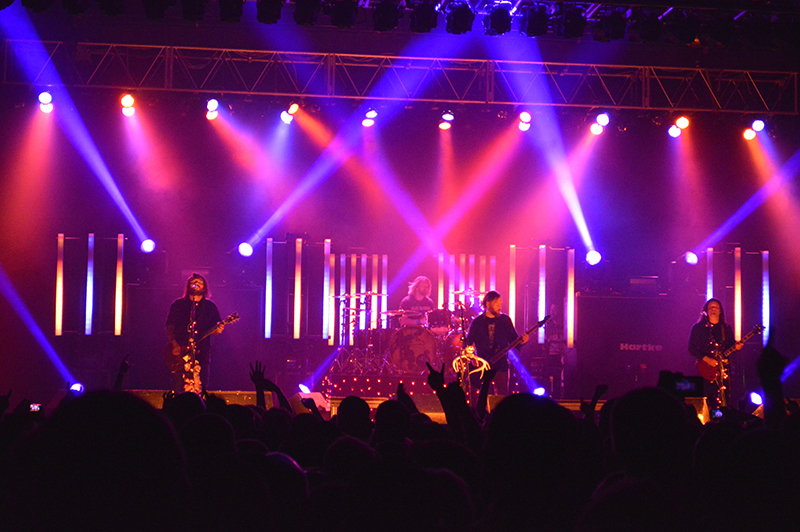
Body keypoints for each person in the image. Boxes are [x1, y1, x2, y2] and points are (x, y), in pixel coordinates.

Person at [166, 273, 224, 394]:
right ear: (188, 286)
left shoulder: (210, 307)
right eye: (194, 282)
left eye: (200, 282)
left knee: (201, 387)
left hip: (202, 353)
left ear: (205, 287)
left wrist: (218, 330)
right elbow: (170, 326)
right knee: (178, 387)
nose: (196, 284)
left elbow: (216, 331)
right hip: (180, 352)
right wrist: (174, 344)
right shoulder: (178, 305)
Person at [466, 291, 528, 396]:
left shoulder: (505, 320)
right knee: (484, 396)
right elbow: (468, 342)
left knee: (502, 395)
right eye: (496, 303)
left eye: (501, 303)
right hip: (483, 365)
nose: (500, 306)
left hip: (501, 365)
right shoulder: (477, 322)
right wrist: (472, 357)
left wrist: (523, 341)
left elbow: (514, 340)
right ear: (488, 304)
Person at [687, 298, 742, 410]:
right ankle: (711, 421)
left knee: (724, 398)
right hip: (705, 370)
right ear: (706, 310)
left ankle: (723, 420)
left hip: (723, 369)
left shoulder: (725, 328)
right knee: (709, 398)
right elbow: (691, 348)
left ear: (720, 311)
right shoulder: (698, 328)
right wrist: (707, 359)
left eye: (716, 307)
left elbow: (730, 347)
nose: (713, 309)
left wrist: (736, 347)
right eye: (711, 307)